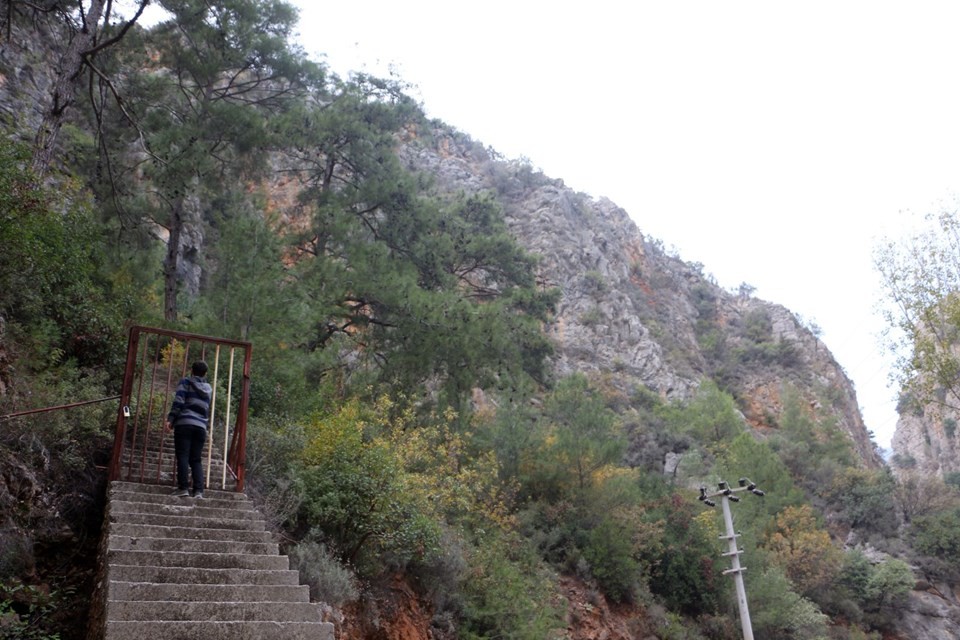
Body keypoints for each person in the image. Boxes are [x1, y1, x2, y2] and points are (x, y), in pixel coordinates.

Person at [165, 361, 212, 498]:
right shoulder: (209, 388)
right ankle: (198, 491)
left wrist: (171, 419)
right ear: (205, 373)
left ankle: (183, 488)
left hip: (185, 423)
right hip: (201, 426)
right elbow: (206, 409)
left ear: (192, 371)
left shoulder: (185, 382)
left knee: (183, 456)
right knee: (196, 459)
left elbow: (179, 401)